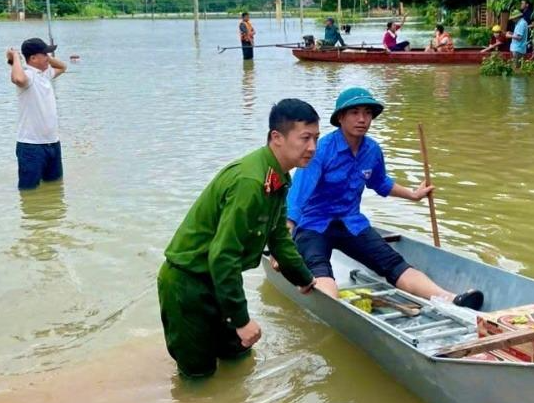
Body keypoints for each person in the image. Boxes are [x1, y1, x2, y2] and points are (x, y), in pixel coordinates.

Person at [157, 99, 319, 378]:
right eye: (305, 138)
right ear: (277, 138)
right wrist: (241, 320)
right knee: (199, 378)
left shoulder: (279, 179)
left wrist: (304, 279)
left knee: (239, 357)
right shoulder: (251, 182)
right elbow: (223, 256)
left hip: (220, 282)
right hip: (188, 286)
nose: (312, 148)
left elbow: (279, 237)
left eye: (316, 138)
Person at [286, 87, 484, 309]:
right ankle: (335, 309)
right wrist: (285, 235)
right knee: (319, 270)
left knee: (393, 263)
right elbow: (297, 196)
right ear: (340, 117)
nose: (362, 119)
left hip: (351, 223)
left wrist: (413, 194)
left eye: (368, 113)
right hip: (314, 225)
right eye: (355, 113)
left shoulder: (371, 149)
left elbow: (380, 183)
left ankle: (450, 298)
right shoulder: (320, 149)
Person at [6, 38, 67, 190]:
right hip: (31, 146)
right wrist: (15, 57)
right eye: (44, 54)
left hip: (53, 143)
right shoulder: (28, 76)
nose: (48, 57)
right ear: (32, 58)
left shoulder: (44, 74)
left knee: (54, 187)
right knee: (29, 191)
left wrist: (46, 58)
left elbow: (63, 67)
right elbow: (18, 78)